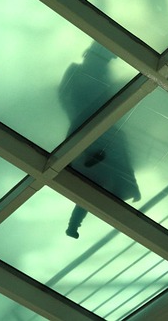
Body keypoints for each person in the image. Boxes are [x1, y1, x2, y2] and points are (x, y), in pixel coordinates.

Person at [57, 45, 140, 238]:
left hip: (91, 128)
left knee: (95, 179)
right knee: (97, 177)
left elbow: (66, 97)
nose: (107, 63)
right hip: (89, 127)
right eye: (107, 58)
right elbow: (66, 97)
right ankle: (76, 222)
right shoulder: (83, 72)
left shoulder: (91, 74)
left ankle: (75, 223)